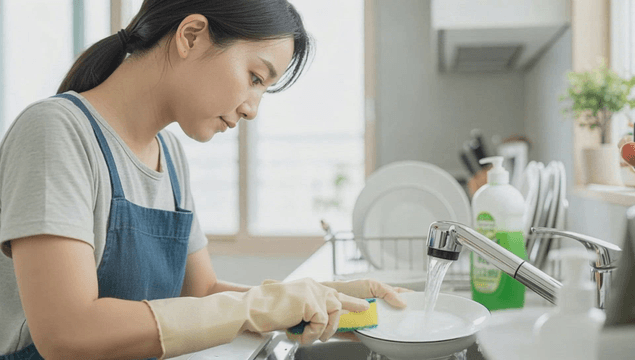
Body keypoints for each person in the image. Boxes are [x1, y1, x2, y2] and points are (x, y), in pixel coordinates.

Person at [0, 1, 411, 359]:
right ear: (192, 35)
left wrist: (321, 297)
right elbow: (67, 334)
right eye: (255, 78)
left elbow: (201, 294)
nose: (252, 110)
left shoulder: (172, 157)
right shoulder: (56, 131)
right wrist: (260, 304)